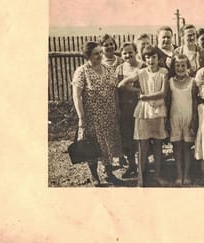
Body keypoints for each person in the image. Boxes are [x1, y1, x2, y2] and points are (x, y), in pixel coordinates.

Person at [72, 41, 123, 186]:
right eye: (95, 54)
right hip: (92, 116)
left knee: (108, 144)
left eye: (100, 53)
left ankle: (109, 173)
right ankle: (95, 176)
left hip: (109, 114)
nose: (100, 56)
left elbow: (115, 90)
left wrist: (117, 108)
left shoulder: (108, 69)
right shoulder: (82, 71)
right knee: (92, 146)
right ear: (87, 56)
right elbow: (77, 96)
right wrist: (81, 117)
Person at [118, 45, 169, 187]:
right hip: (143, 112)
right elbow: (122, 85)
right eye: (147, 57)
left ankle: (158, 176)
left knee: (158, 146)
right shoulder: (141, 72)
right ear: (144, 59)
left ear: (158, 58)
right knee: (143, 146)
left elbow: (163, 93)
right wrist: (137, 91)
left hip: (158, 111)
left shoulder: (164, 72)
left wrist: (144, 96)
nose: (151, 60)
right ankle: (142, 179)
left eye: (154, 57)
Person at [115, 42, 147, 176]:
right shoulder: (120, 69)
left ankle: (143, 166)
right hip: (125, 108)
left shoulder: (143, 66)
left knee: (142, 137)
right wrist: (117, 108)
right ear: (121, 55)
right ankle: (132, 165)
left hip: (141, 106)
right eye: (125, 53)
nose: (128, 55)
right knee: (127, 137)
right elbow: (117, 89)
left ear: (136, 52)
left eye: (130, 52)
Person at [167, 55, 198, 186]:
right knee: (177, 148)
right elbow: (168, 102)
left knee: (187, 147)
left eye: (183, 65)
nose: (180, 68)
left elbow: (195, 102)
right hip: (175, 118)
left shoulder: (193, 81)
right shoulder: (170, 82)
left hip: (188, 117)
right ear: (174, 67)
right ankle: (179, 175)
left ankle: (187, 175)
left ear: (187, 67)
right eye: (177, 65)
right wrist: (167, 120)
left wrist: (194, 120)